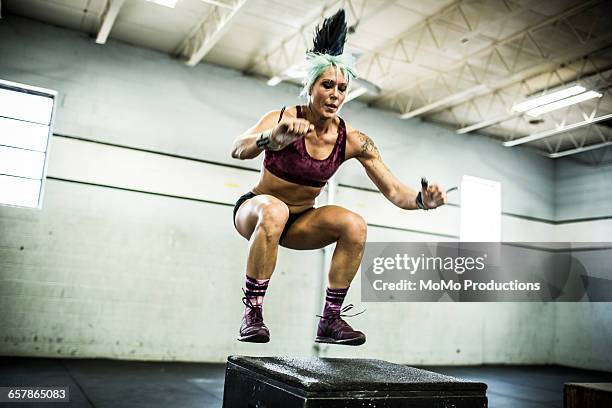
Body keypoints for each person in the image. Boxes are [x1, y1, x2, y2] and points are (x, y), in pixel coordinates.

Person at [230, 9, 447, 346]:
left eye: (342, 88)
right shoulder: (282, 117)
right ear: (310, 86)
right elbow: (237, 148)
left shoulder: (355, 141)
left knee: (355, 224)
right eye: (327, 85)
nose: (334, 94)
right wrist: (269, 139)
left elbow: (394, 191)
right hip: (256, 212)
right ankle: (252, 313)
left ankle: (330, 321)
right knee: (275, 210)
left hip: (302, 221)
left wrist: (423, 201)